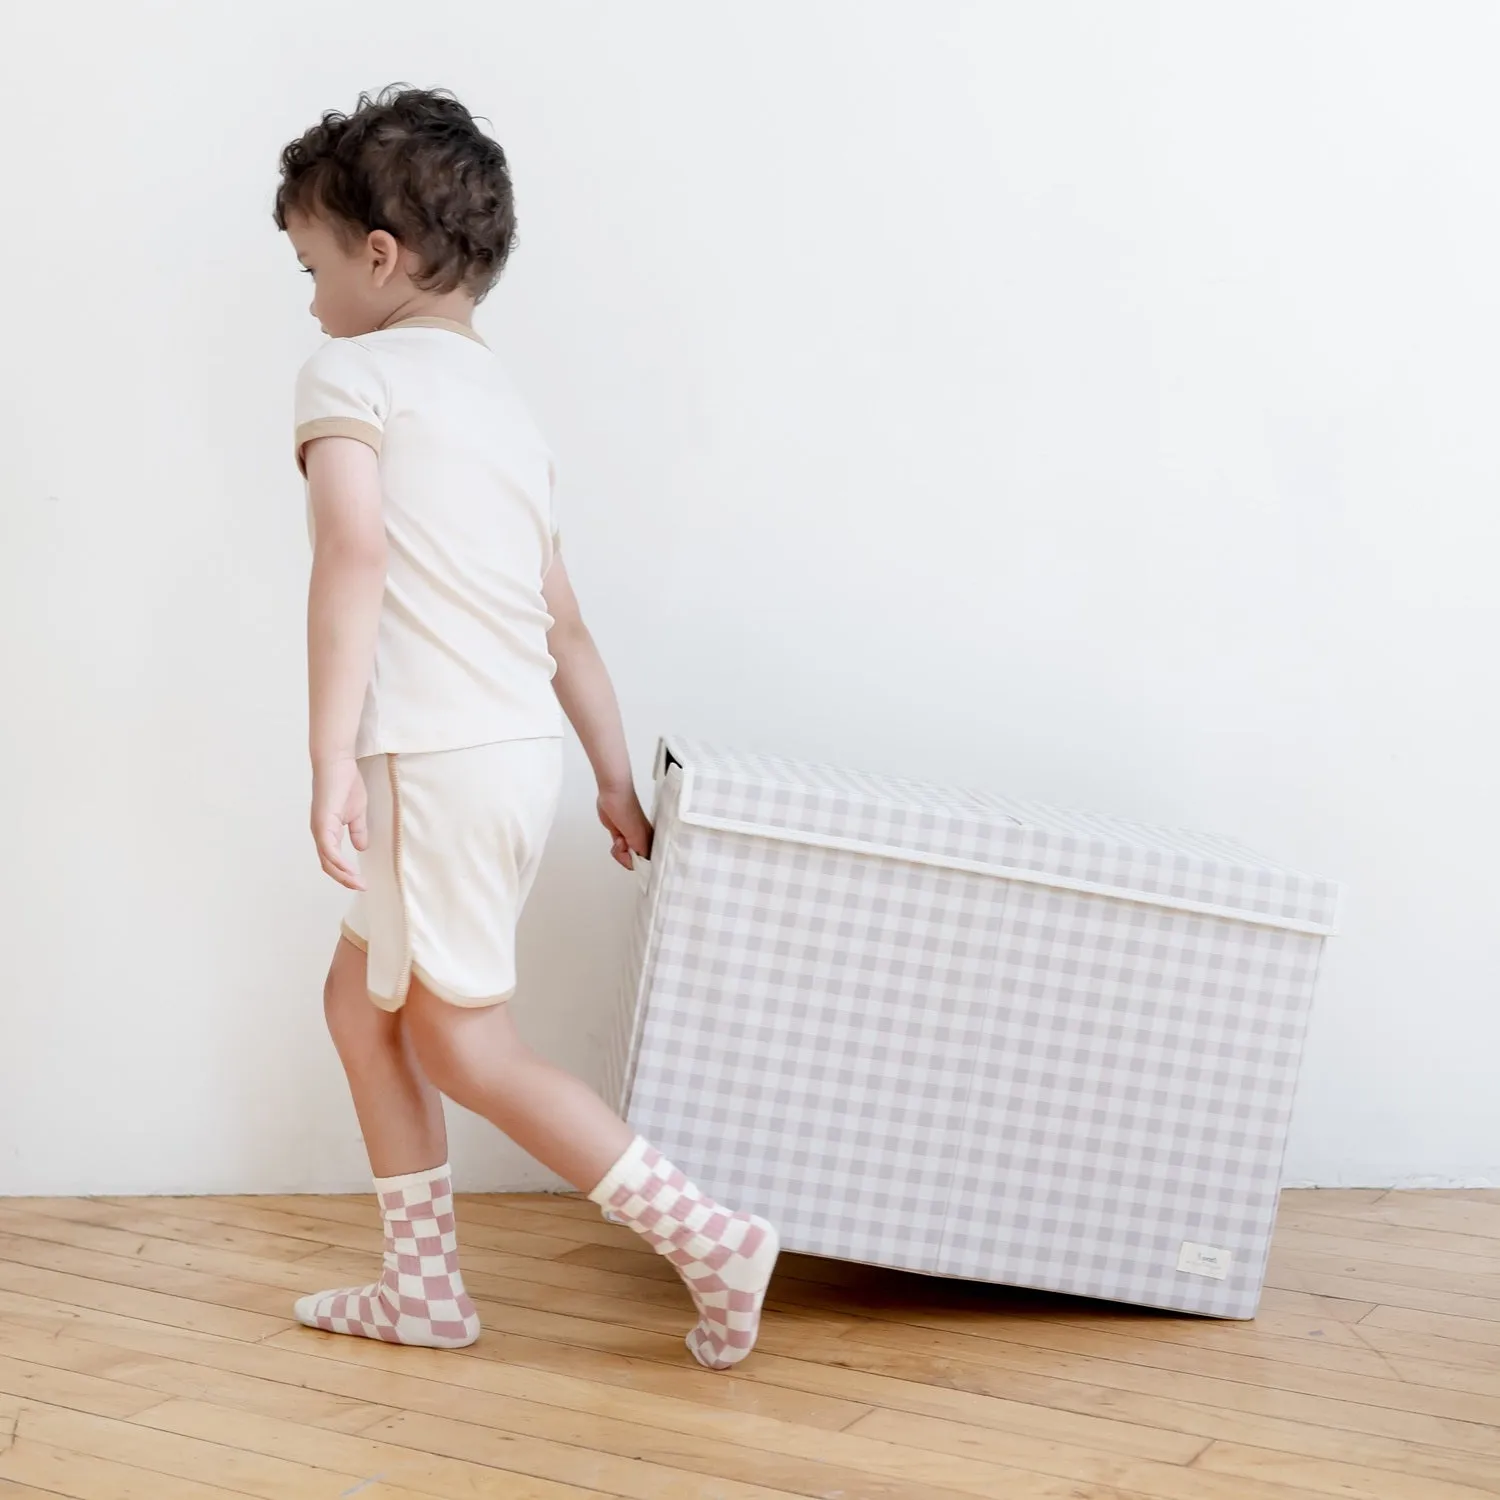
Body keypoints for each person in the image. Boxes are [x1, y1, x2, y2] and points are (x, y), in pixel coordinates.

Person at [272, 86, 778, 1370]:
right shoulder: (506, 412)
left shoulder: (349, 370)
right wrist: (612, 780)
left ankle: (712, 1237)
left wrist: (332, 758)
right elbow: (565, 624)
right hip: (509, 760)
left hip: (430, 759)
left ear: (377, 258)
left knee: (463, 1041)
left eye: (313, 265)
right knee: (360, 1003)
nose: (312, 295)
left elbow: (351, 556)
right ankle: (424, 1290)